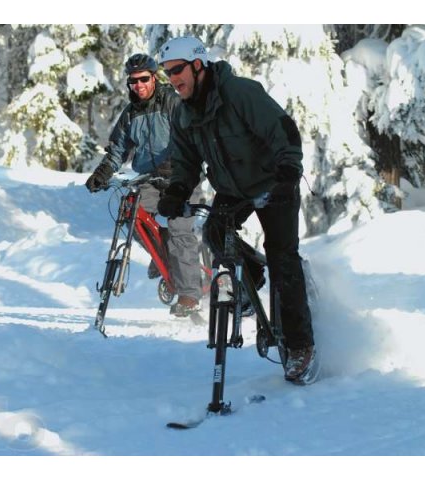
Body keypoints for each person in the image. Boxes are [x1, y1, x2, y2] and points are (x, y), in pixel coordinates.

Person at [156, 37, 317, 384]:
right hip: (233, 190)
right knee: (215, 234)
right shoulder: (184, 113)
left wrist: (289, 170)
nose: (173, 79)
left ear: (198, 65)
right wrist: (178, 190)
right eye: (168, 73)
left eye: (177, 70)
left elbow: (282, 131)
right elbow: (184, 162)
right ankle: (252, 277)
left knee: (283, 257)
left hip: (275, 182)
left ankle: (301, 346)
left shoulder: (240, 93)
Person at [85, 53, 203, 317]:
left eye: (143, 79)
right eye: (133, 82)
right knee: (130, 215)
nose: (138, 86)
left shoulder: (172, 103)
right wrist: (102, 173)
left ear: (154, 78)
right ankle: (163, 254)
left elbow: (191, 138)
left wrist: (176, 163)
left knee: (179, 229)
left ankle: (189, 295)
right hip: (150, 180)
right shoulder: (131, 114)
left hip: (182, 178)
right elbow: (117, 150)